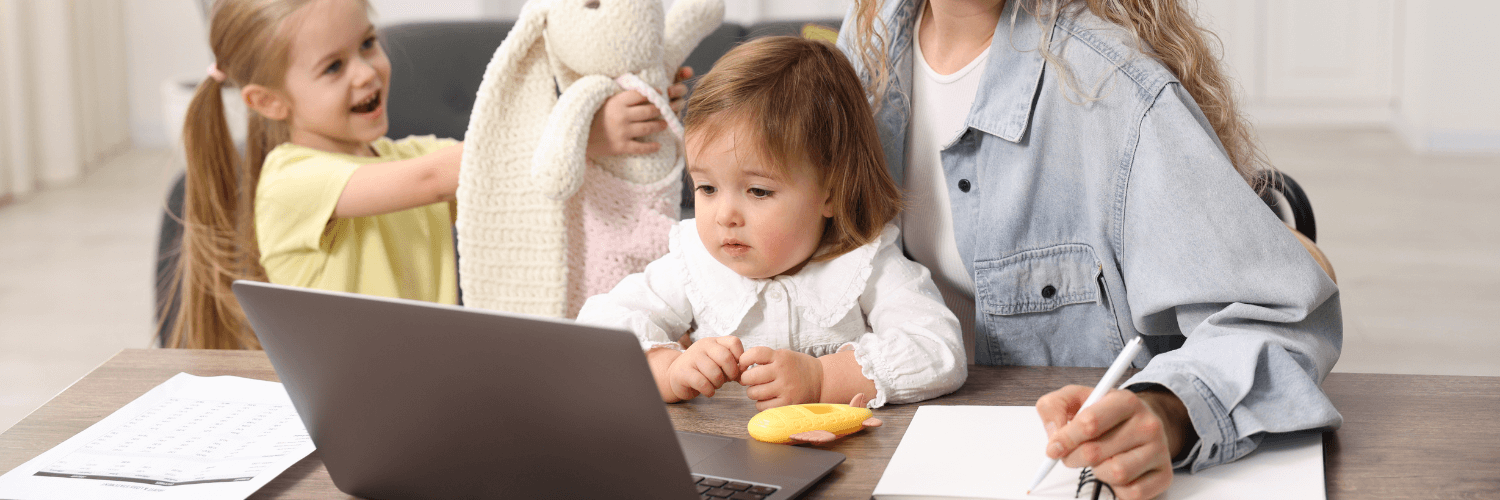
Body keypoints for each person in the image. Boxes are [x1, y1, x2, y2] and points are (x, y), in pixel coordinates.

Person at [837, 1, 1342, 498]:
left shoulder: (1113, 87)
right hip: (902, 444)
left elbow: (1283, 321)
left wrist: (1166, 409)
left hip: (1063, 469)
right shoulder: (869, 40)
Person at [168, 0, 687, 350]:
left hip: (423, 388)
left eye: (367, 44)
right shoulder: (289, 180)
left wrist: (638, 103)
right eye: (333, 67)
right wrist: (581, 131)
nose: (366, 71)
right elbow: (448, 174)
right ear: (268, 102)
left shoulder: (409, 155)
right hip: (345, 400)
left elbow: (521, 181)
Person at [576, 36, 967, 411]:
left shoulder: (864, 262)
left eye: (758, 191)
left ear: (830, 193)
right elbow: (598, 330)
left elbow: (939, 350)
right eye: (707, 188)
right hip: (725, 447)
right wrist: (668, 368)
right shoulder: (693, 263)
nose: (724, 215)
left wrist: (822, 378)